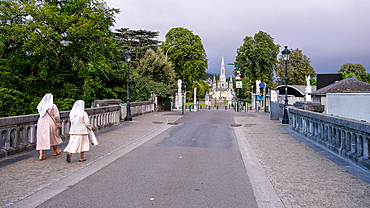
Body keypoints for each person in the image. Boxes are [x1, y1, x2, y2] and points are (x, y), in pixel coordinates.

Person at [36, 93, 63, 161]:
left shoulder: (41, 106)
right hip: (50, 122)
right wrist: (58, 121)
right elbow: (56, 116)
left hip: (41, 122)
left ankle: (41, 155)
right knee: (53, 136)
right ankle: (55, 151)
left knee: (41, 137)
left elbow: (40, 114)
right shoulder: (52, 106)